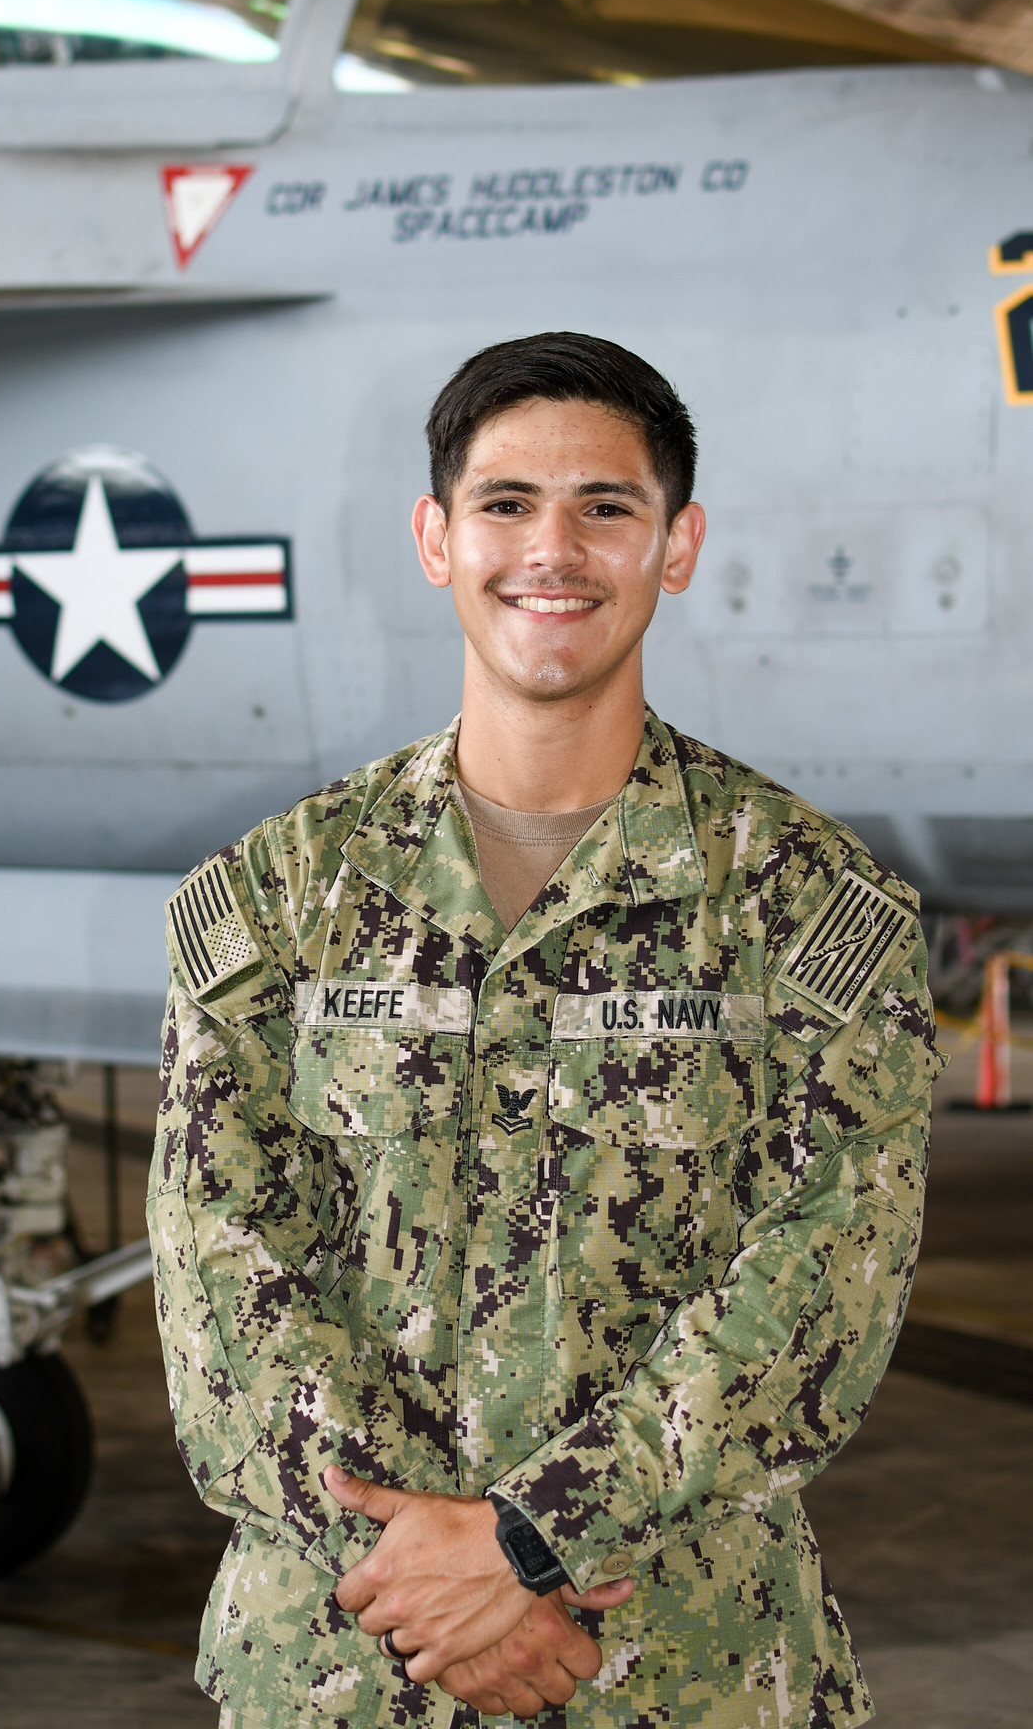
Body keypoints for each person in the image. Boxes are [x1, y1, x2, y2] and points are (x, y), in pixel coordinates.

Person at [148, 332, 940, 1729]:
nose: (551, 550)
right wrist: (424, 1587)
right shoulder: (280, 897)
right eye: (504, 503)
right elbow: (220, 1276)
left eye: (605, 507)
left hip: (676, 1670)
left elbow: (820, 1283)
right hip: (344, 1665)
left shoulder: (807, 910)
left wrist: (528, 1540)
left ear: (675, 545)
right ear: (433, 539)